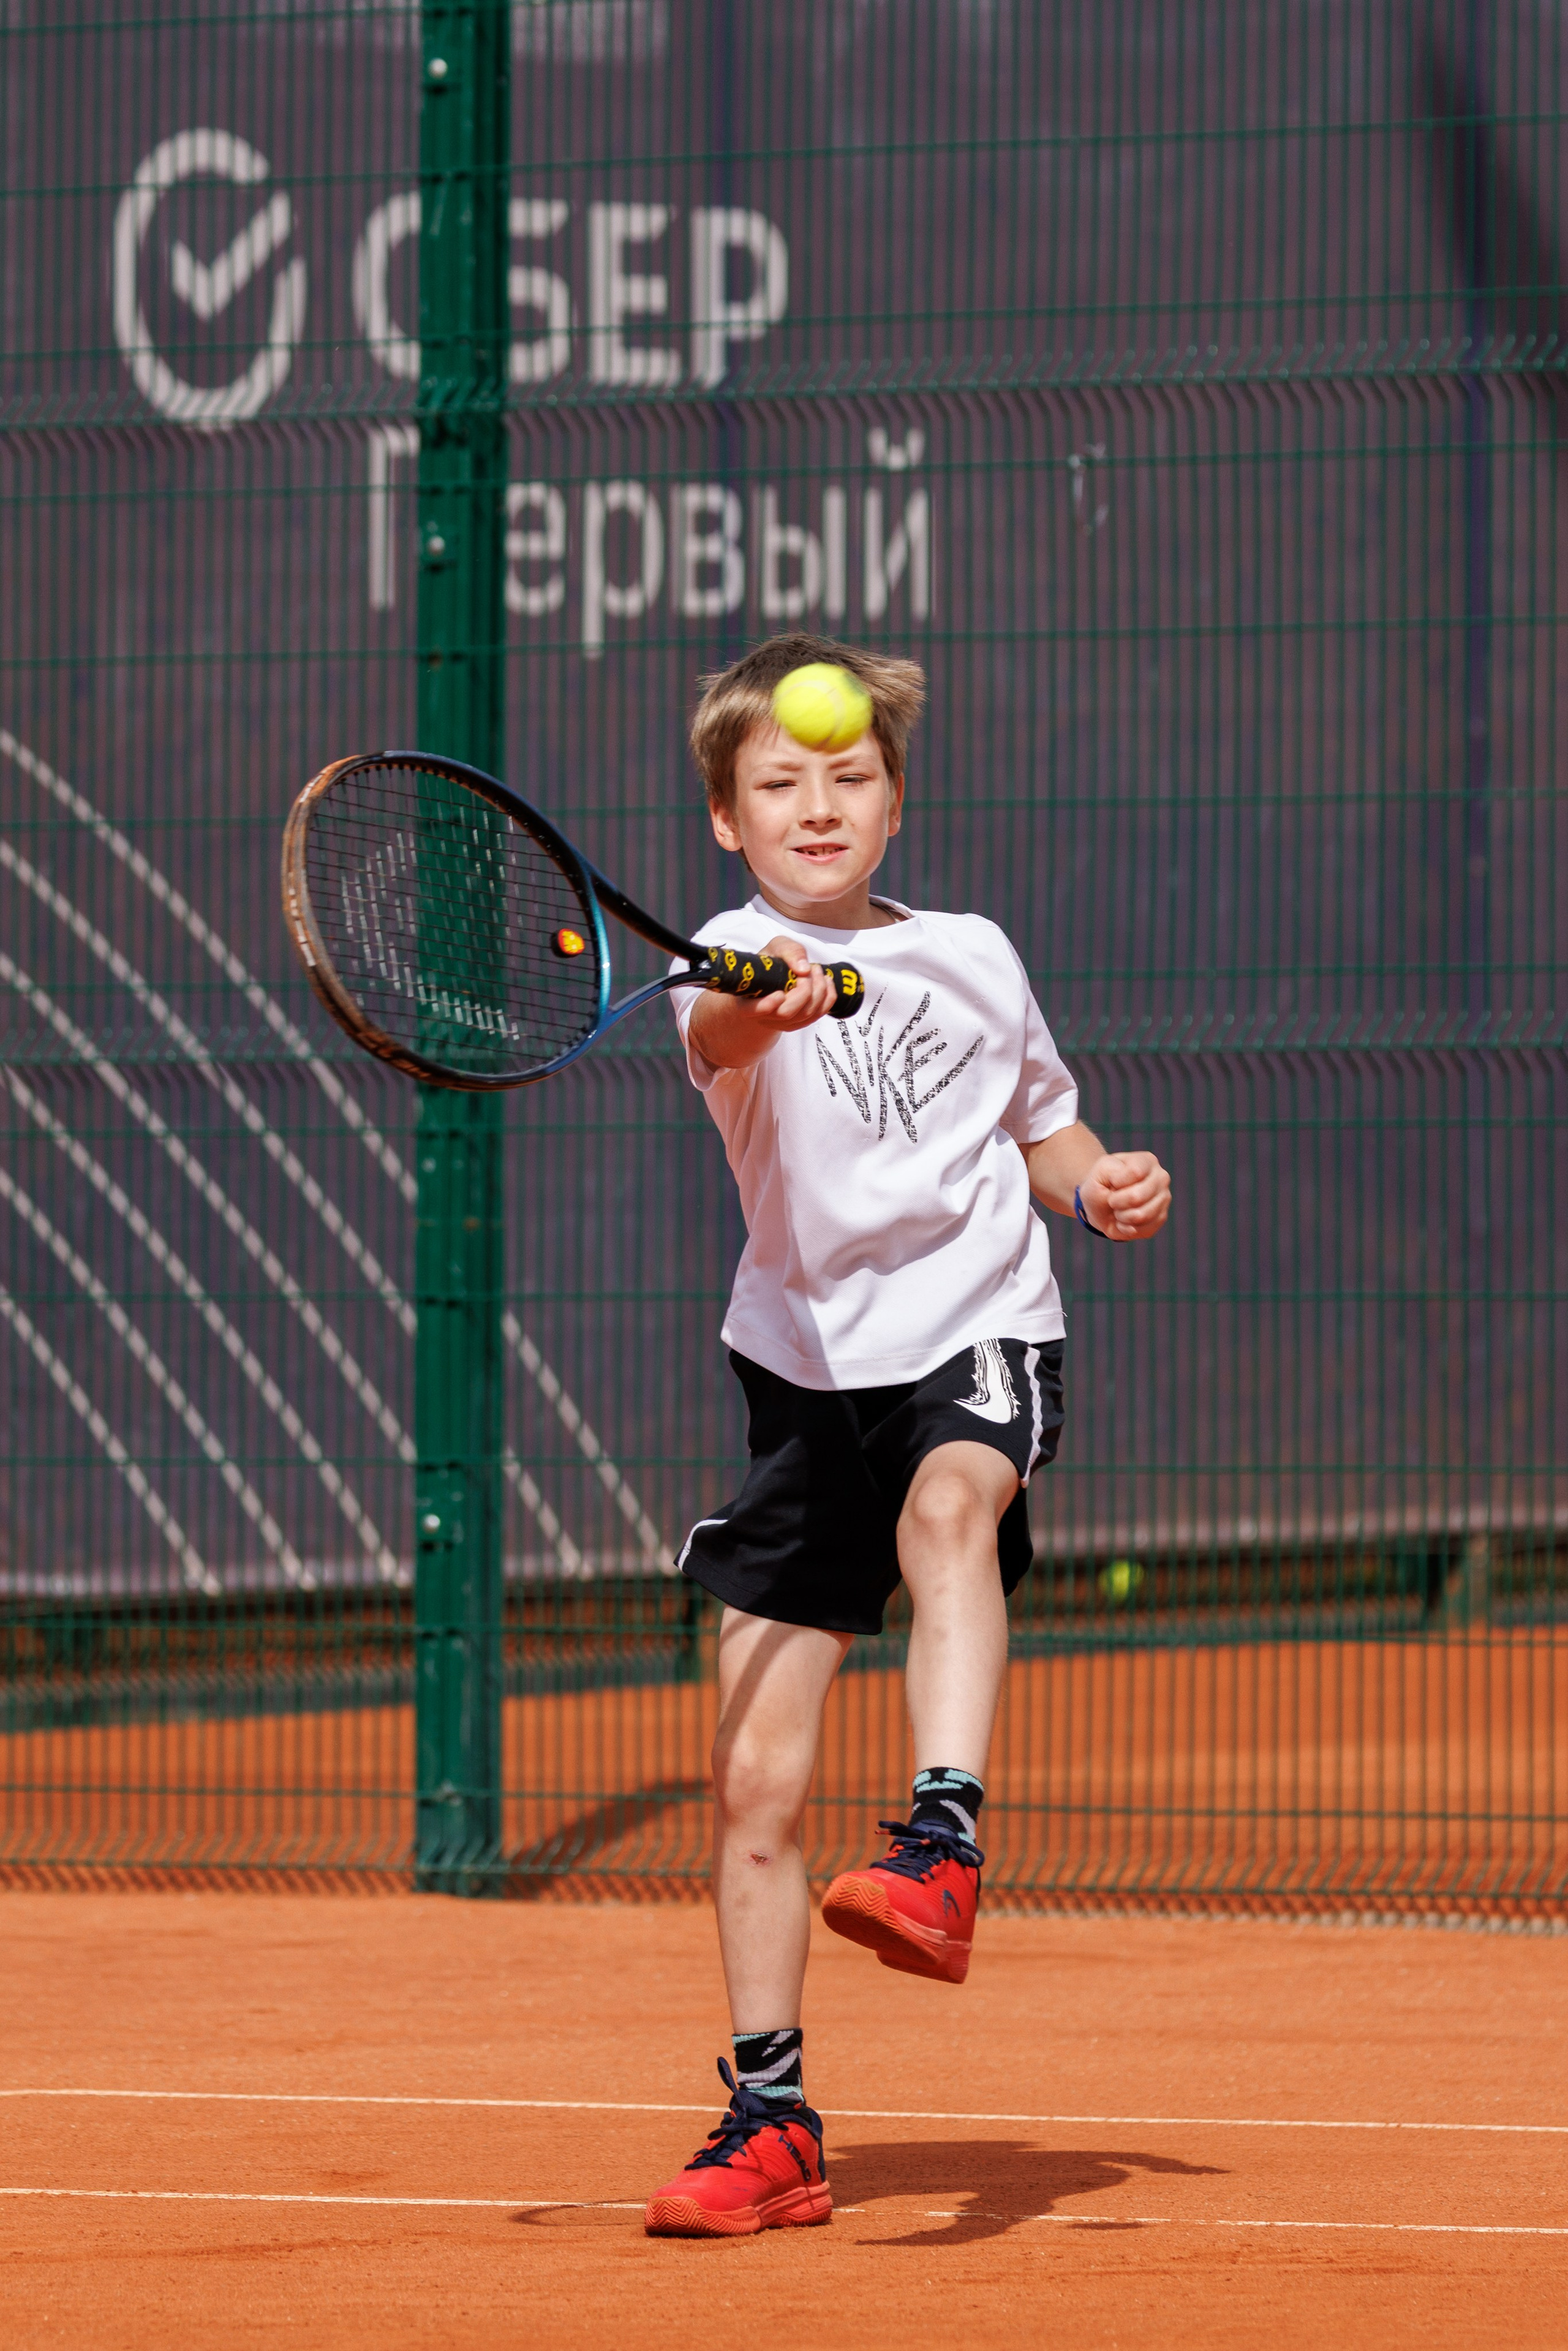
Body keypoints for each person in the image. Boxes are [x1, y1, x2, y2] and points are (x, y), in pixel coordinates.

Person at [642, 632, 1171, 2239]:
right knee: (751, 1779)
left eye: (851, 778)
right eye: (781, 783)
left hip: (977, 1332)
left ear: (894, 800)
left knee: (954, 1517)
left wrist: (1092, 1183)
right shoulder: (718, 961)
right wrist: (764, 1006)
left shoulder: (978, 955)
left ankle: (942, 1843)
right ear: (728, 819)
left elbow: (1038, 1121)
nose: (820, 804)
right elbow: (721, 1042)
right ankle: (770, 2119)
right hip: (804, 1380)